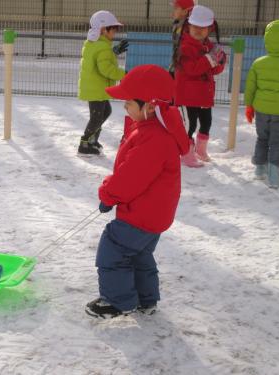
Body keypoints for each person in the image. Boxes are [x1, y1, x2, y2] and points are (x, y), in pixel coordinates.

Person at [85, 65, 189, 319]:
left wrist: (109, 194)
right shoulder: (151, 130)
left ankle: (117, 301)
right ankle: (145, 299)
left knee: (113, 248)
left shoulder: (153, 138)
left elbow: (132, 176)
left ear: (151, 106)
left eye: (129, 103)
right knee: (139, 254)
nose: (125, 108)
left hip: (141, 213)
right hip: (153, 214)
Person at [174, 5, 226, 167]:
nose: (198, 31)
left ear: (209, 29)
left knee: (206, 122)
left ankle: (201, 150)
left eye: (203, 28)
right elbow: (192, 69)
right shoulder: (184, 47)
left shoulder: (208, 46)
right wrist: (210, 59)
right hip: (187, 95)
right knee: (190, 125)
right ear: (188, 26)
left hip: (203, 94)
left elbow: (214, 70)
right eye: (195, 26)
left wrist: (220, 61)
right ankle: (187, 154)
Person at [77, 10, 127, 155]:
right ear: (104, 30)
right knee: (97, 116)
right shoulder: (103, 46)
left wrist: (114, 52)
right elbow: (106, 69)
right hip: (96, 89)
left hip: (95, 88)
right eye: (114, 29)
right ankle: (84, 143)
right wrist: (124, 74)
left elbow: (101, 57)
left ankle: (92, 140)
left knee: (105, 112)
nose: (115, 33)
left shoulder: (93, 43)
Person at [244, 20, 279, 188]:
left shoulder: (258, 63)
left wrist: (248, 106)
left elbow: (250, 87)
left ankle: (260, 170)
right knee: (276, 142)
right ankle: (275, 177)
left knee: (262, 138)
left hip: (261, 110)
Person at [169, 0, 195, 77]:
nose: (173, 12)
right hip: (177, 67)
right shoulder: (178, 25)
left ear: (185, 12)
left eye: (176, 8)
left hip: (183, 70)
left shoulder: (188, 29)